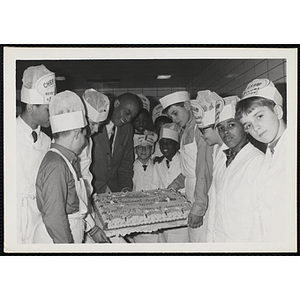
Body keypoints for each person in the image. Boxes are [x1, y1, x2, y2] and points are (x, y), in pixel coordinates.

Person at [35, 90, 110, 243]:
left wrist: (90, 225)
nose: (95, 131)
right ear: (77, 133)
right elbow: (54, 215)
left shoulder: (67, 157)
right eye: (92, 125)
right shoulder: (57, 164)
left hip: (77, 221)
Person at [235, 78, 294, 243]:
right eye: (247, 125)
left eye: (259, 116)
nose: (255, 128)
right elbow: (259, 214)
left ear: (278, 112)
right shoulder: (267, 158)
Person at [206, 96, 265, 242]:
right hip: (220, 240)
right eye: (221, 128)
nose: (225, 132)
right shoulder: (221, 159)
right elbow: (214, 204)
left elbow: (260, 218)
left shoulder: (257, 161)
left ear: (245, 127)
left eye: (231, 125)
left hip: (242, 242)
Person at [159, 91, 213, 242]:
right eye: (171, 116)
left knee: (201, 242)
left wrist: (199, 208)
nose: (174, 120)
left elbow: (203, 170)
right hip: (192, 193)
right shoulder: (185, 131)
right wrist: (173, 187)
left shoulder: (199, 129)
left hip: (203, 196)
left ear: (188, 106)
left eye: (176, 113)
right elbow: (189, 170)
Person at [16, 64, 56, 244]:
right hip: (13, 213)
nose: (53, 115)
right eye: (48, 109)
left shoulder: (47, 141)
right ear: (31, 107)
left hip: (38, 215)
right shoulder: (8, 133)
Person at [90, 93, 142, 194]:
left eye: (132, 117)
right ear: (116, 103)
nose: (128, 119)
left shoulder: (127, 129)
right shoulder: (94, 125)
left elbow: (126, 162)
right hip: (92, 187)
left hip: (114, 188)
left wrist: (125, 186)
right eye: (127, 113)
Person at [153, 122, 187, 242]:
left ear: (177, 145)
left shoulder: (185, 162)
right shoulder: (158, 164)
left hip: (181, 217)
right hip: (163, 216)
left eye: (169, 143)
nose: (165, 146)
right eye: (162, 143)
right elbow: (156, 187)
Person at [190, 90, 224, 164]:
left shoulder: (228, 151)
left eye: (203, 131)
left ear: (216, 128)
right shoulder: (216, 149)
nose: (201, 135)